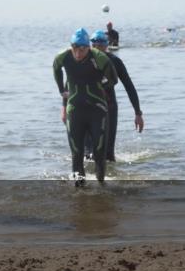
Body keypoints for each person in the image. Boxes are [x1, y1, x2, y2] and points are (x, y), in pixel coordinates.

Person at [53, 28, 117, 186]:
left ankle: (102, 188)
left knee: (99, 153)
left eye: (82, 49)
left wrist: (103, 86)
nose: (78, 53)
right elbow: (56, 69)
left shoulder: (99, 57)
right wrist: (62, 90)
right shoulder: (63, 56)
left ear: (88, 47)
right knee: (76, 154)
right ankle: (79, 191)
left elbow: (113, 79)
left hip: (98, 111)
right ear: (71, 47)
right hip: (75, 111)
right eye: (75, 48)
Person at [91, 31, 144, 162]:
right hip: (89, 107)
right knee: (88, 153)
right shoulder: (84, 61)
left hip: (109, 107)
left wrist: (138, 113)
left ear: (106, 46)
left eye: (100, 46)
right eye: (94, 46)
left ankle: (111, 179)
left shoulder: (114, 61)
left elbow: (129, 86)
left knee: (108, 154)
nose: (97, 49)